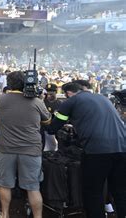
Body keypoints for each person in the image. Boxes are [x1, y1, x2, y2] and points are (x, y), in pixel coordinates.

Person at [47, 82, 126, 218]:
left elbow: (53, 128)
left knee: (93, 191)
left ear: (68, 94)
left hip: (97, 152)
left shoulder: (72, 101)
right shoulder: (102, 98)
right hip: (122, 149)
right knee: (119, 191)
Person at [0, 71, 51, 218]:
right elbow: (47, 121)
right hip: (31, 150)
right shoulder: (36, 101)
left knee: (5, 185)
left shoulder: (1, 99)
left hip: (5, 149)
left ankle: (5, 214)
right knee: (33, 187)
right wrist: (40, 99)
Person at [42, 83, 62, 151]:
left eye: (51, 91)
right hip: (44, 129)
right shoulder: (42, 102)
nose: (49, 93)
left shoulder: (60, 103)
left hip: (56, 129)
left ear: (55, 92)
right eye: (47, 91)